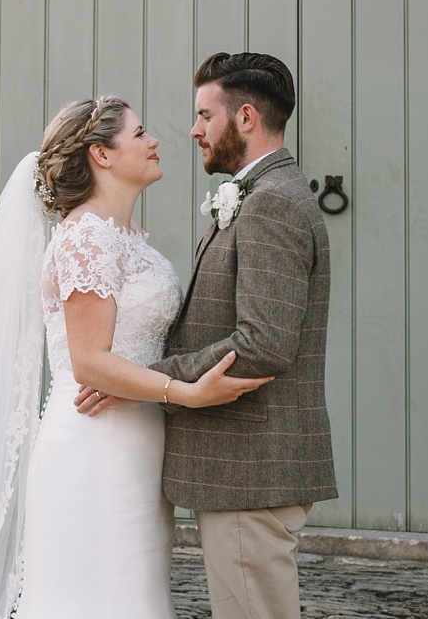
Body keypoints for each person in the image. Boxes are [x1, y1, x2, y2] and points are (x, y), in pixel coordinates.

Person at [0, 96, 269, 619]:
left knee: (137, 595)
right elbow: (89, 363)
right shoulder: (85, 238)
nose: (154, 142)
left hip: (141, 443)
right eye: (140, 133)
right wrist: (188, 392)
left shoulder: (130, 240)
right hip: (94, 442)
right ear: (101, 154)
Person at [79, 52, 336, 619]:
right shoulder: (262, 196)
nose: (192, 130)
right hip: (244, 469)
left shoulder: (270, 203)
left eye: (204, 115)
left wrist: (148, 380)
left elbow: (264, 342)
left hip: (252, 469)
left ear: (245, 117)